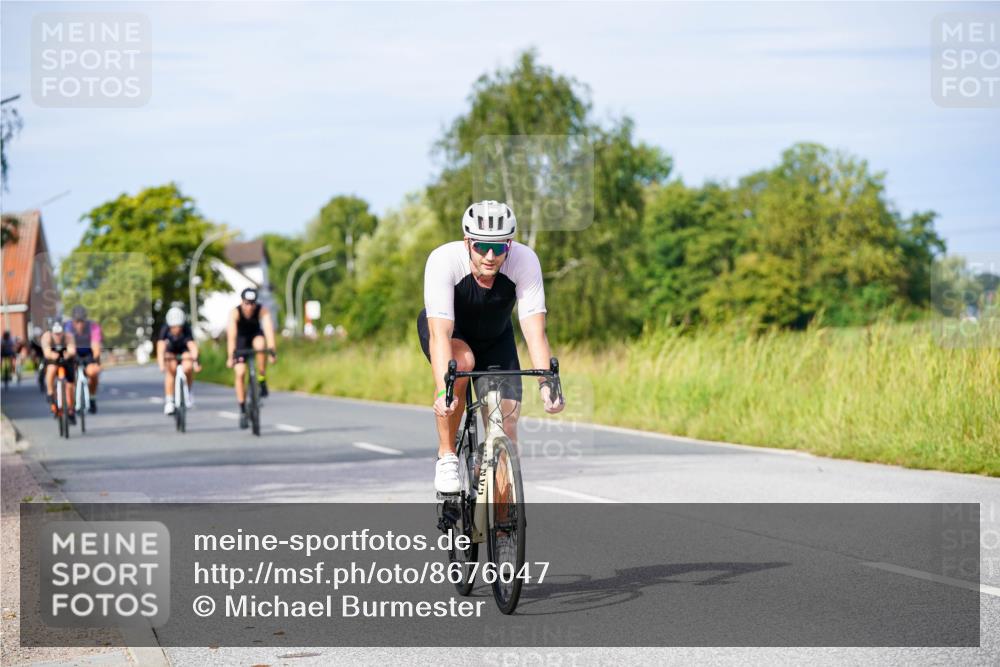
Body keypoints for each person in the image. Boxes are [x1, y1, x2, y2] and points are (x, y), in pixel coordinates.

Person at [417, 200, 565, 493]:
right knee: (462, 362)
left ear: (509, 245)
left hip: (496, 338)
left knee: (507, 427)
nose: (489, 255)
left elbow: (535, 332)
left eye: (498, 248)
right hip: (451, 334)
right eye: (481, 246)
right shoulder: (443, 260)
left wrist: (548, 384)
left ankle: (502, 522)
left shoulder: (525, 260)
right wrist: (442, 391)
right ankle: (447, 456)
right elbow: (440, 333)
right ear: (467, 241)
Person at [225, 287, 277, 429]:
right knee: (240, 372)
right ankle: (242, 409)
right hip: (240, 341)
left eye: (252, 303)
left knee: (261, 344)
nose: (250, 307)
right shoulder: (235, 313)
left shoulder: (262, 310)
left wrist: (272, 351)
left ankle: (261, 378)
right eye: (247, 303)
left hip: (255, 336)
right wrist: (231, 356)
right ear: (242, 302)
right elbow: (231, 336)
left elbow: (268, 330)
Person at [157, 306, 200, 415]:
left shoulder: (186, 329)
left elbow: (192, 346)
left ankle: (189, 393)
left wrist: (195, 361)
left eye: (179, 327)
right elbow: (161, 346)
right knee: (171, 370)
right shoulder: (165, 329)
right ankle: (169, 401)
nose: (176, 329)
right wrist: (161, 363)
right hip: (170, 351)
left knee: (188, 367)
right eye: (174, 327)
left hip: (183, 350)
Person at [66, 305, 102, 414]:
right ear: (73, 321)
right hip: (74, 353)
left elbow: (96, 348)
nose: (80, 324)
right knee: (70, 381)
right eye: (77, 321)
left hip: (89, 353)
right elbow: (69, 346)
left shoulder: (93, 327)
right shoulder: (68, 327)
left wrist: (94, 360)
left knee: (93, 372)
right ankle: (71, 407)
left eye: (82, 321)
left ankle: (92, 397)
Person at [40, 322, 77, 424]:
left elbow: (72, 350)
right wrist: (55, 355)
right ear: (51, 332)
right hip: (52, 359)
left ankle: (70, 409)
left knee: (70, 386)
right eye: (56, 333)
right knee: (51, 369)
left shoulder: (68, 336)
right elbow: (47, 352)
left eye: (60, 333)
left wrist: (67, 354)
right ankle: (50, 393)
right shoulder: (46, 337)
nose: (58, 335)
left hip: (66, 360)